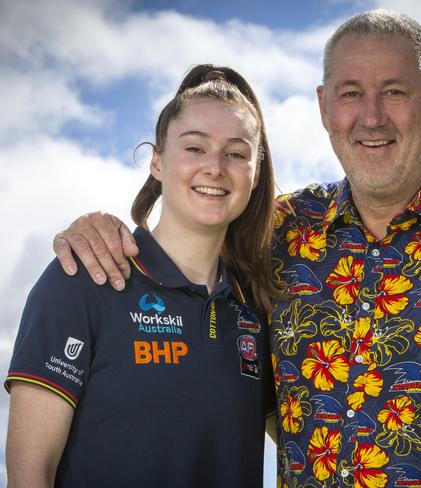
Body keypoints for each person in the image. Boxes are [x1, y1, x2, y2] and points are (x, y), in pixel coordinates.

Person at [49, 10, 421, 488]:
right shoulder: (280, 233)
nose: (371, 117)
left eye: (394, 91)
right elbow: (189, 222)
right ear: (322, 107)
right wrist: (98, 226)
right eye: (350, 93)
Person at [5, 64, 282, 487]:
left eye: (236, 153)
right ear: (156, 161)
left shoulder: (257, 309)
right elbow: (29, 473)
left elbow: (313, 441)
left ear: (255, 172)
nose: (215, 167)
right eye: (194, 148)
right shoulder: (83, 278)